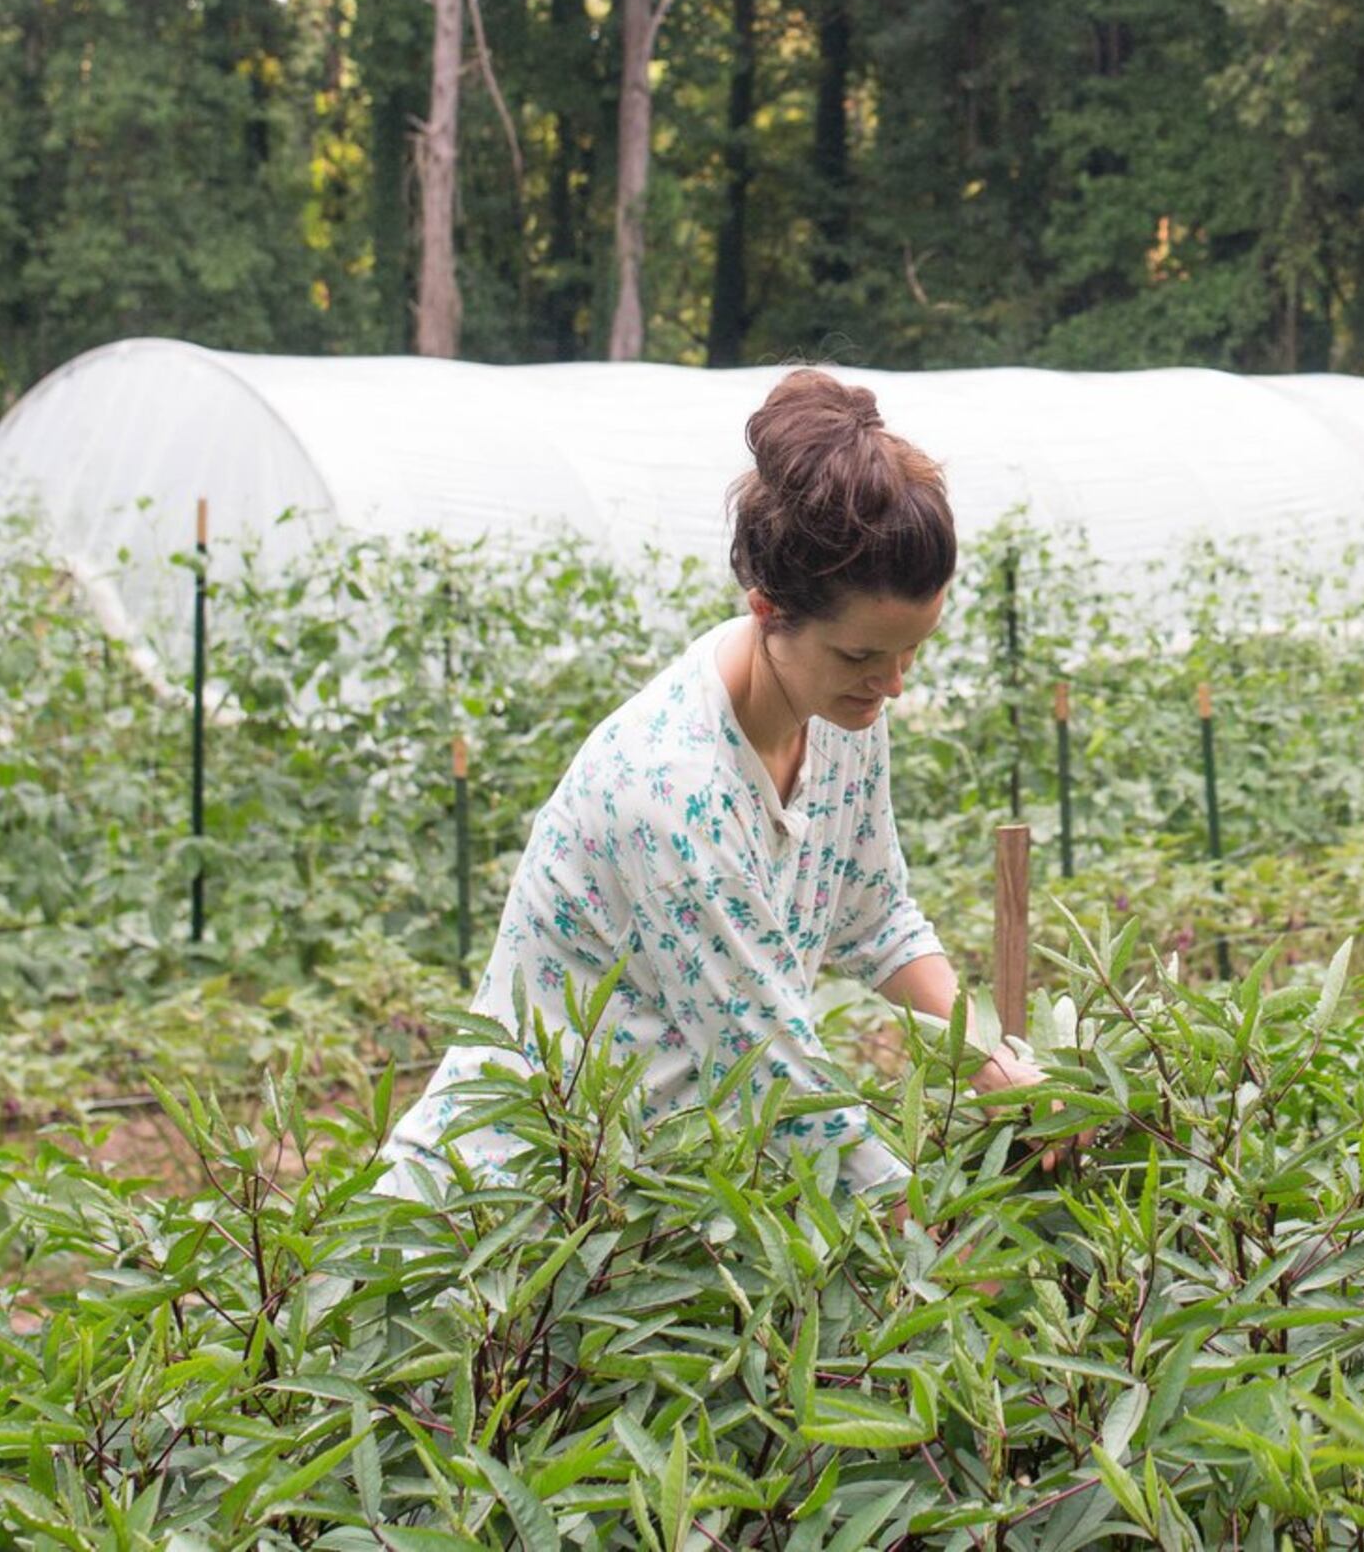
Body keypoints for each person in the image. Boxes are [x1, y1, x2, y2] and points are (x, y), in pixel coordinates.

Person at [383, 370, 1035, 1201]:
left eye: (914, 649)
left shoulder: (839, 714)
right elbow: (771, 1074)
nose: (895, 684)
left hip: (639, 1204)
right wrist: (943, 1238)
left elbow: (877, 916)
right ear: (768, 610)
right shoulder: (668, 784)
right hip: (497, 1213)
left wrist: (994, 1061)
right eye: (864, 656)